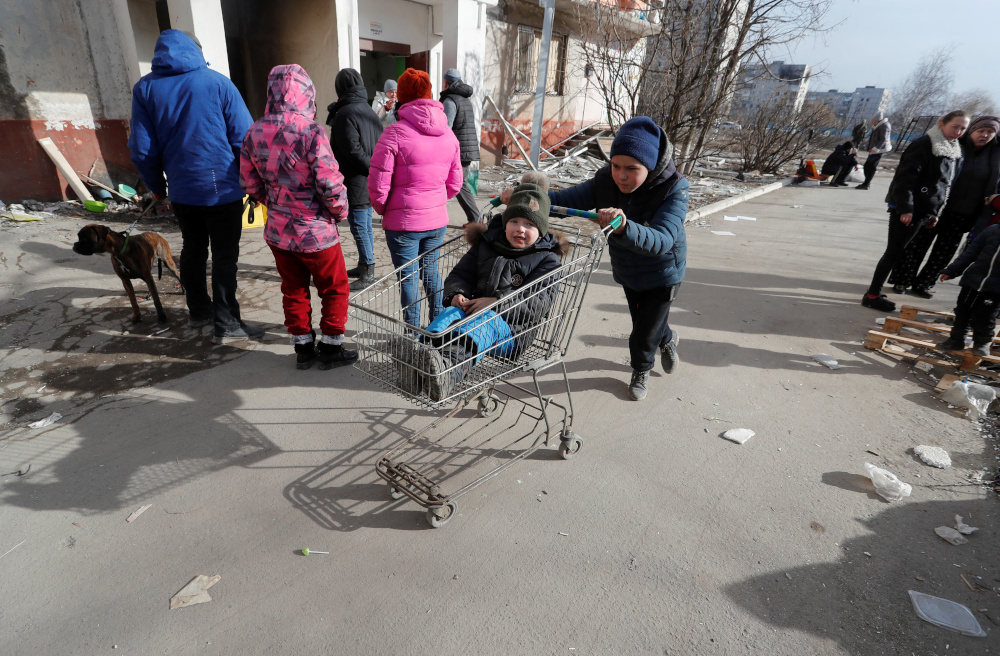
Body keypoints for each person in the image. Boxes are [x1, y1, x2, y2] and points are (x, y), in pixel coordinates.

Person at [506, 116, 687, 402]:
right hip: (628, 268)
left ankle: (641, 368)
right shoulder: (605, 181)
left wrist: (625, 227)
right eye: (616, 166)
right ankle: (667, 338)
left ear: (650, 167)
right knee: (645, 320)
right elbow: (564, 200)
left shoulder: (674, 189)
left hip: (663, 271)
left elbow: (662, 239)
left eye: (632, 169)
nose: (621, 176)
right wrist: (523, 198)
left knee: (643, 331)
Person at [129, 29, 261, 344]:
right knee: (225, 256)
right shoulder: (218, 83)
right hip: (223, 189)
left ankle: (199, 312)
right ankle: (227, 323)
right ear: (196, 51)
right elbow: (245, 140)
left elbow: (142, 149)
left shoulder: (145, 89)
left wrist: (157, 187)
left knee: (193, 249)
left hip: (182, 190)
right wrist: (253, 183)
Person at [397, 173, 567, 401]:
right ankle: (419, 359)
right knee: (450, 313)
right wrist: (457, 293)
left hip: (512, 331)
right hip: (473, 313)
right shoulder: (488, 244)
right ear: (505, 223)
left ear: (541, 230)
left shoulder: (547, 260)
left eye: (529, 224)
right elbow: (461, 274)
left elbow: (537, 302)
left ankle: (447, 372)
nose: (520, 229)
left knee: (484, 323)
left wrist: (497, 302)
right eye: (514, 221)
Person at [240, 64, 358, 370]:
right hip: (315, 233)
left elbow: (250, 183)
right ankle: (331, 347)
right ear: (306, 93)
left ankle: (303, 347)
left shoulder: (253, 131)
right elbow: (329, 183)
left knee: (293, 287)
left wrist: (274, 203)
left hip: (279, 231)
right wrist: (339, 211)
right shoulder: (310, 131)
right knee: (334, 287)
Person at [368, 68, 464, 327]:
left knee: (408, 278)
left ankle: (412, 332)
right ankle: (437, 326)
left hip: (403, 224)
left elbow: (377, 183)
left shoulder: (394, 133)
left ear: (401, 96)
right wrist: (434, 200)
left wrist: (385, 209)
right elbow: (455, 183)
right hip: (436, 220)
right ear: (429, 94)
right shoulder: (449, 134)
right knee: (431, 272)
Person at [861, 110, 969, 312]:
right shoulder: (925, 144)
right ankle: (872, 295)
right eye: (955, 126)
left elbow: (941, 185)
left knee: (897, 251)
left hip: (923, 210)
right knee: (893, 252)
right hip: (909, 209)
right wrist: (906, 208)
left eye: (963, 128)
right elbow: (905, 179)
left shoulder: (951, 148)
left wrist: (934, 212)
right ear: (942, 124)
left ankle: (874, 293)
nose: (958, 132)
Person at [888, 116, 1000, 297]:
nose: (985, 135)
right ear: (971, 131)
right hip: (938, 207)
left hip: (967, 212)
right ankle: (903, 279)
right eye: (981, 131)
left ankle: (924, 283)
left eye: (990, 132)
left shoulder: (995, 156)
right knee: (917, 245)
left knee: (944, 252)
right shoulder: (955, 146)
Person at [327, 68, 384, 292]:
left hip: (355, 179)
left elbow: (352, 150)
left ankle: (368, 270)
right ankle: (363, 264)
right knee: (364, 224)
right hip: (368, 177)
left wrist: (369, 168)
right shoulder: (368, 110)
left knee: (360, 225)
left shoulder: (345, 113)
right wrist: (375, 169)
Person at [937, 222, 1000, 356]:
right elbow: (970, 253)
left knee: (986, 315)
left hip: (995, 287)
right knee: (963, 310)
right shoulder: (992, 230)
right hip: (973, 280)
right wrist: (953, 270)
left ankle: (981, 342)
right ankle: (956, 339)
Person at [440, 68, 481, 225]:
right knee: (457, 184)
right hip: (466, 148)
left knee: (458, 185)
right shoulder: (465, 99)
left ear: (446, 83)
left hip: (458, 150)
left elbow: (446, 128)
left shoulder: (450, 100)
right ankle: (474, 219)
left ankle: (476, 220)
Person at [856, 111, 892, 190]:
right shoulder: (877, 125)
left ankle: (866, 184)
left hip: (879, 149)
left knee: (871, 166)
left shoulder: (884, 126)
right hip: (874, 149)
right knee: (868, 166)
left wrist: (875, 149)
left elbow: (883, 139)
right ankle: (866, 183)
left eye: (873, 120)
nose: (872, 121)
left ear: (877, 120)